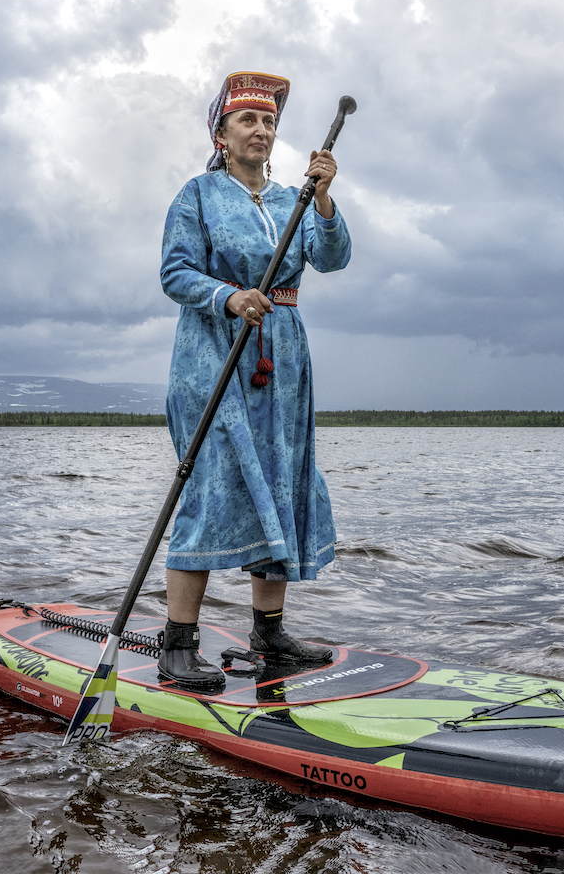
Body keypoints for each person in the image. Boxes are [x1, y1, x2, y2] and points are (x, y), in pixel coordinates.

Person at [157, 71, 350, 690]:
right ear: (222, 132)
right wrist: (229, 297)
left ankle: (268, 634)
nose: (261, 130)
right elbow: (175, 272)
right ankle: (178, 644)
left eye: (269, 122)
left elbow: (332, 257)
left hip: (283, 359)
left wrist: (322, 199)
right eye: (248, 120)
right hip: (216, 354)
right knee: (212, 484)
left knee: (283, 478)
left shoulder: (295, 197)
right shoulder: (197, 195)